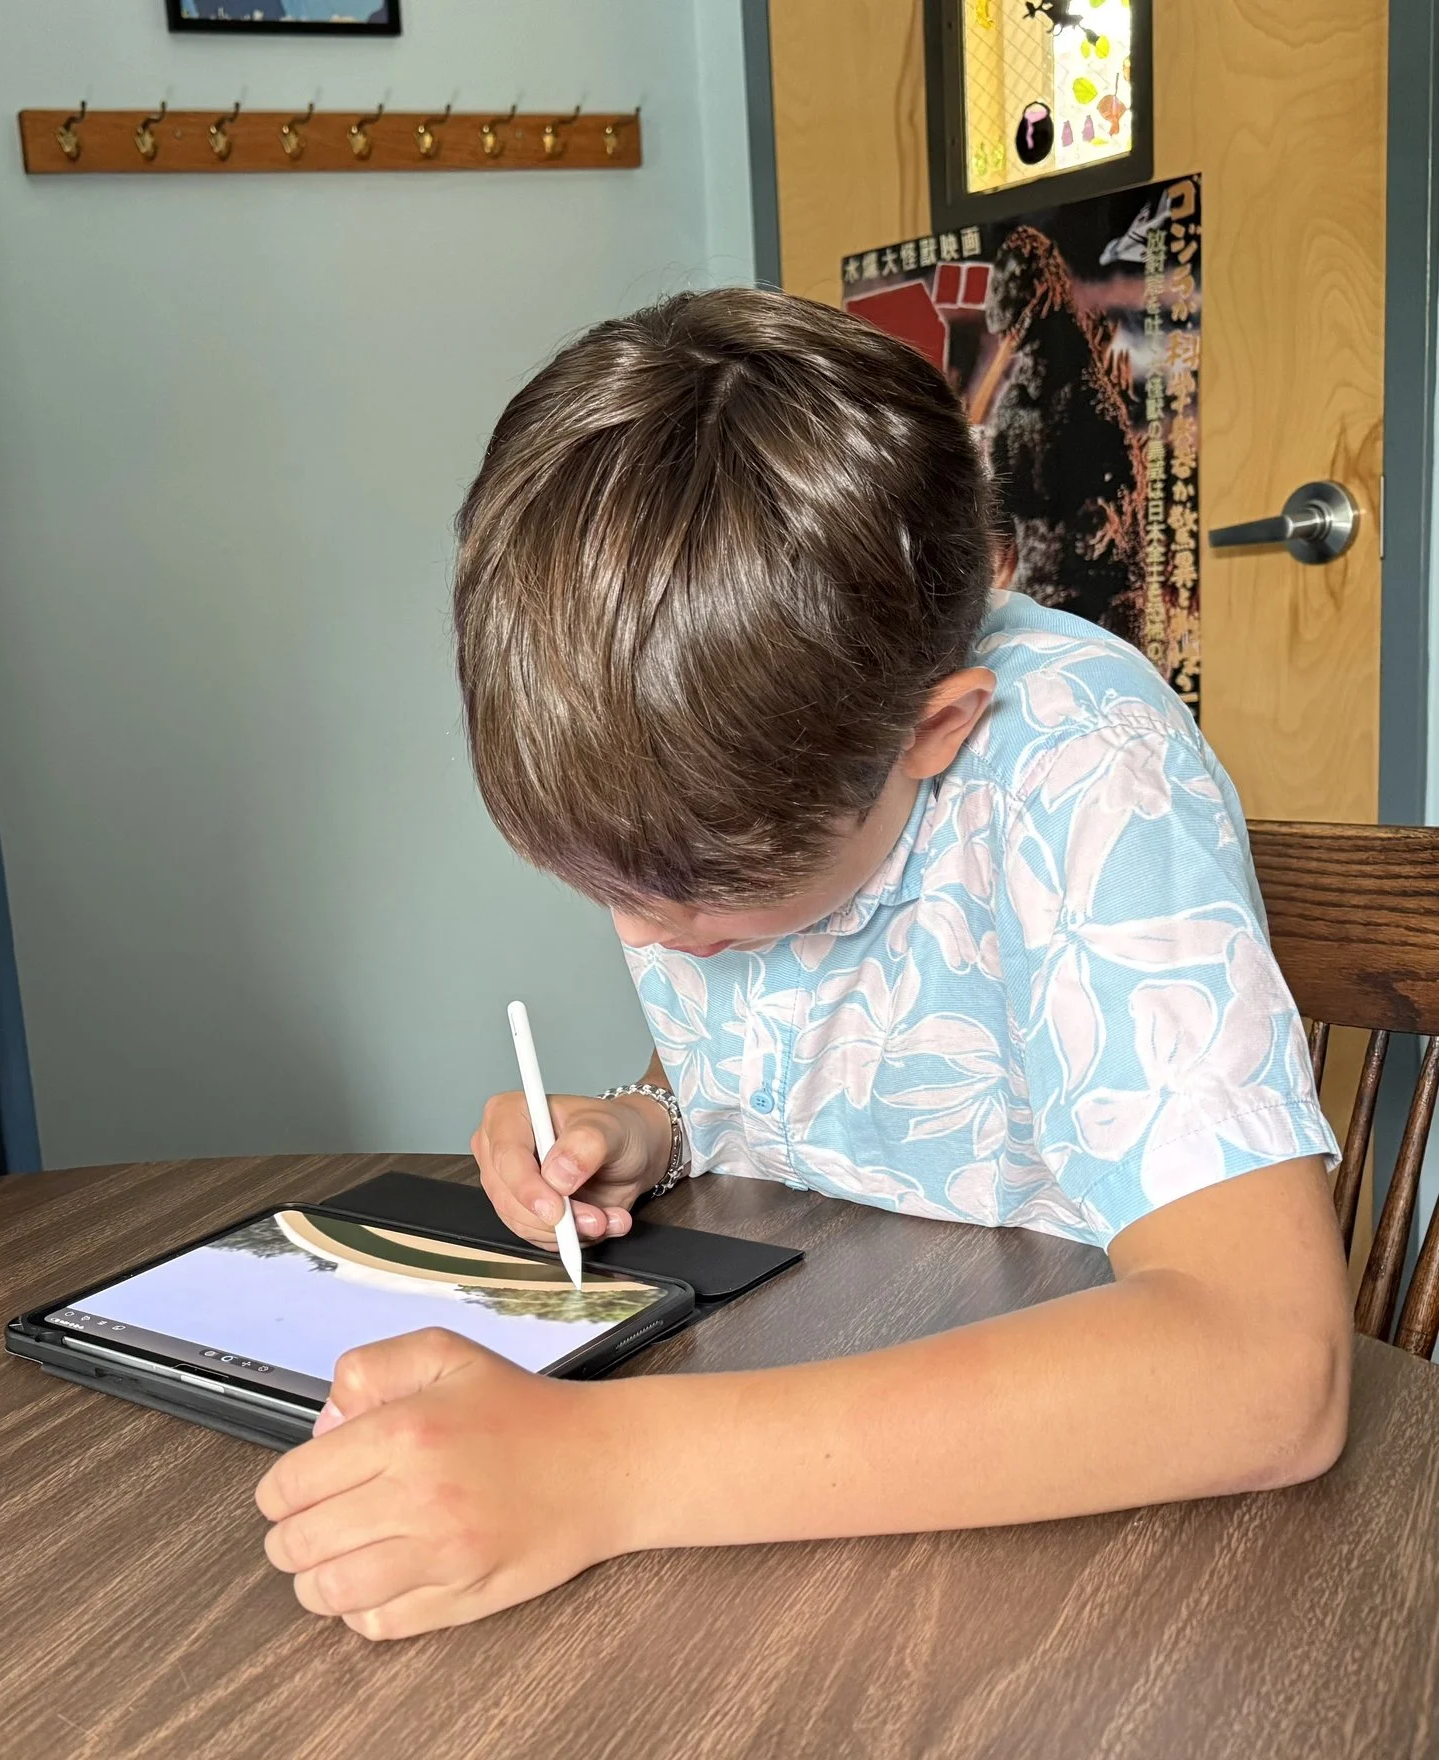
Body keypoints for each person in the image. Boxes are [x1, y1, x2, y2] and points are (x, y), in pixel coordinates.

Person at [255, 287, 1350, 1639]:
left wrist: (602, 1468)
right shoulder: (753, 786)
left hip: (1094, 1553)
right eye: (604, 895)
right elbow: (810, 1034)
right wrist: (650, 1121)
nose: (650, 940)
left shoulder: (1083, 764)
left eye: (704, 903)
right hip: (798, 1478)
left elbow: (1266, 1367)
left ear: (934, 732)